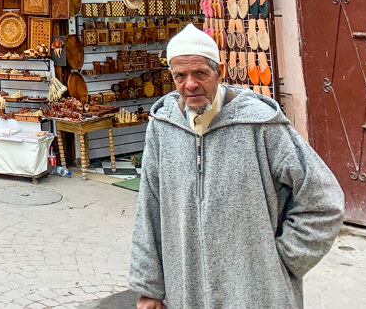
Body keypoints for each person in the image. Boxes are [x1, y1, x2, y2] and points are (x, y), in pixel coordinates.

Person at [129, 24, 344, 309]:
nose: (190, 84)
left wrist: (282, 260)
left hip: (256, 293)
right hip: (186, 291)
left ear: (220, 71)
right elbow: (149, 208)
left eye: (200, 74)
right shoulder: (163, 128)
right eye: (180, 76)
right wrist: (149, 287)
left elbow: (323, 200)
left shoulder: (260, 125)